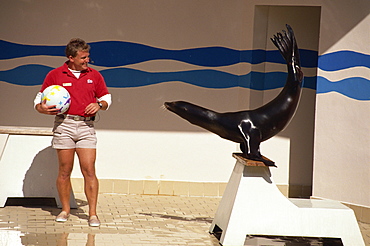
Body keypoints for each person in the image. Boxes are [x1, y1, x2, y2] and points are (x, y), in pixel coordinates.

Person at [34, 38, 112, 227]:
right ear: (71, 58)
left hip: (86, 127)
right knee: (64, 171)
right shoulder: (55, 74)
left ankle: (92, 214)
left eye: (88, 56)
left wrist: (99, 105)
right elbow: (39, 99)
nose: (87, 60)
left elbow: (106, 97)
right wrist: (42, 108)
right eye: (83, 57)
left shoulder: (95, 75)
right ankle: (65, 210)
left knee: (89, 170)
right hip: (64, 125)